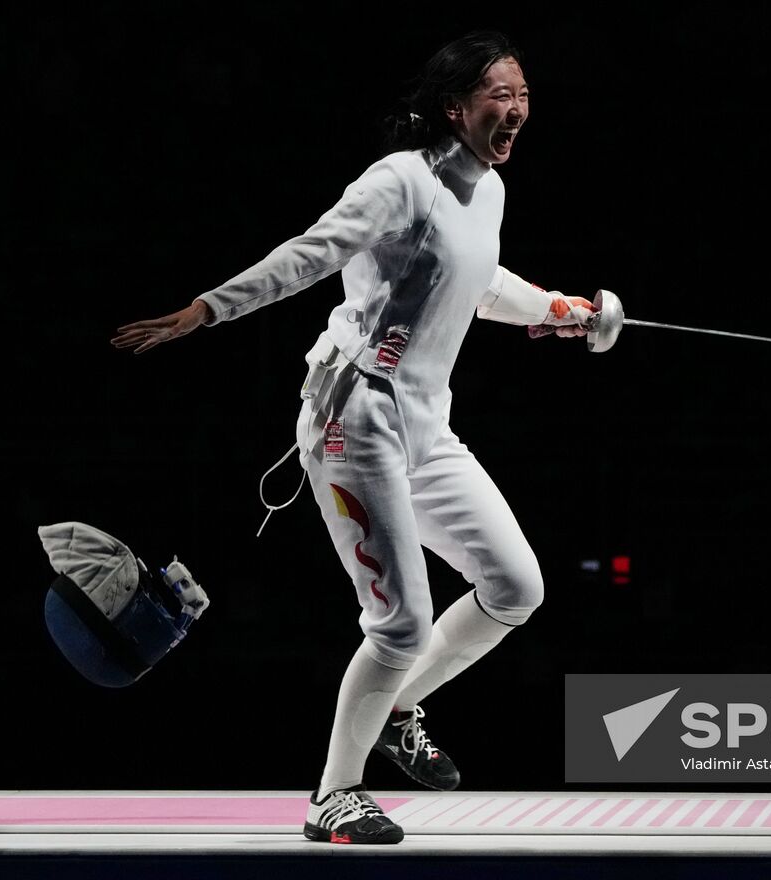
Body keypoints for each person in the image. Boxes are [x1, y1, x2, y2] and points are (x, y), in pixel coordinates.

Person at [111, 30, 594, 845]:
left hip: (426, 427)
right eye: (498, 96)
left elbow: (483, 284)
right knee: (401, 624)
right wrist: (207, 308)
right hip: (353, 420)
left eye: (522, 97)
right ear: (454, 106)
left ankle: (400, 706)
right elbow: (311, 254)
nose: (515, 111)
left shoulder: (490, 192)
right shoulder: (401, 180)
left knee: (515, 586)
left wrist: (554, 310)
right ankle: (334, 795)